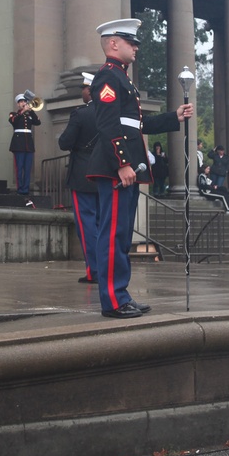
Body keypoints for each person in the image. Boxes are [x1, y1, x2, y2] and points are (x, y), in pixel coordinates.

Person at [87, 19, 194, 320]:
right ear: (112, 44)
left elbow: (138, 124)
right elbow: (108, 125)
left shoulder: (122, 79)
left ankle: (121, 294)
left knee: (121, 235)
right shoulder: (109, 77)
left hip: (127, 164)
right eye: (130, 41)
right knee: (112, 234)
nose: (135, 47)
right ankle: (112, 300)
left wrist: (174, 117)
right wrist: (122, 163)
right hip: (116, 166)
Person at [57, 72, 99, 284]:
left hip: (83, 176)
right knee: (104, 225)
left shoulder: (80, 114)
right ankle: (107, 269)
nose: (82, 91)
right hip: (105, 176)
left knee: (87, 225)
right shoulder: (111, 112)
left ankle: (94, 271)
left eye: (83, 88)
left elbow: (64, 143)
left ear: (89, 90)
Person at [8, 93, 41, 197]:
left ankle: (26, 189)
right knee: (19, 167)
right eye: (21, 102)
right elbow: (13, 121)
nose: (23, 103)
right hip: (18, 144)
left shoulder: (30, 115)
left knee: (27, 168)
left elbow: (37, 122)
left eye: (25, 101)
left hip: (28, 144)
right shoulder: (14, 114)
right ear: (18, 104)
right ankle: (20, 188)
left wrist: (31, 111)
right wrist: (23, 111)